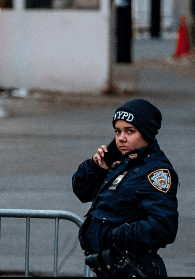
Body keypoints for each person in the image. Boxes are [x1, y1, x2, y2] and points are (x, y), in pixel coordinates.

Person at [72, 99, 178, 277]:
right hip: (109, 268)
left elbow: (163, 227)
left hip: (135, 269)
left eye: (130, 131)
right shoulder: (121, 163)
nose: (121, 138)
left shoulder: (156, 171)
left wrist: (114, 234)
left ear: (146, 133)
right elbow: (81, 190)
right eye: (117, 131)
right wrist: (98, 166)